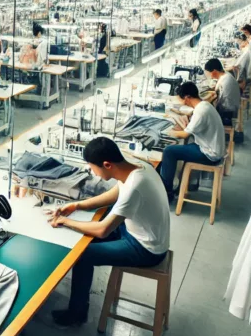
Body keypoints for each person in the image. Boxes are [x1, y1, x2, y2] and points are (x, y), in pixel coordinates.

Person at [47, 137, 169, 326]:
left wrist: (65, 221)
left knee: (82, 255)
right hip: (140, 233)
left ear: (107, 165)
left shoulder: (135, 187)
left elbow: (103, 231)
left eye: (93, 167)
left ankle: (77, 313)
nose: (91, 171)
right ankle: (80, 297)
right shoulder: (135, 168)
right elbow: (113, 195)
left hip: (146, 249)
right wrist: (77, 205)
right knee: (91, 233)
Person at [159, 82, 226, 196]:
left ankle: (166, 192)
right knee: (181, 146)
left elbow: (184, 135)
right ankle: (182, 186)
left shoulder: (201, 112)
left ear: (187, 97)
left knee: (169, 151)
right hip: (212, 148)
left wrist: (166, 132)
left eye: (182, 100)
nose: (183, 103)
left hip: (210, 154)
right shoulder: (205, 105)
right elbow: (193, 125)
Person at [203, 58, 240, 126]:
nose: (209, 76)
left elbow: (217, 98)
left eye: (208, 73)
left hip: (227, 113)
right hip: (232, 107)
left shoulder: (224, 81)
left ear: (214, 71)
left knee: (204, 113)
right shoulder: (226, 75)